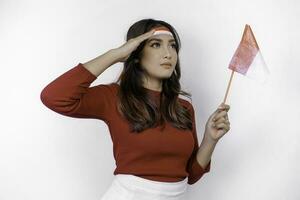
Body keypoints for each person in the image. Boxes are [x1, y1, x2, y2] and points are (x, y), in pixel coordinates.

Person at [40, 18, 230, 200]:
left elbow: (191, 176)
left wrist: (210, 139)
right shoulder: (114, 97)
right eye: (156, 44)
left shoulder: (183, 107)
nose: (168, 53)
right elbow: (54, 97)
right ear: (136, 54)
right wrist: (115, 55)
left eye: (172, 45)